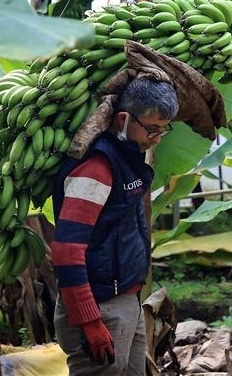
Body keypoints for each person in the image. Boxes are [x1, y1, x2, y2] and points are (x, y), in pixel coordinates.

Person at [51, 77, 178, 375]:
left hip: (125, 302)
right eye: (152, 129)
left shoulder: (126, 159)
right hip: (100, 308)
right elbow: (66, 250)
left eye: (163, 129)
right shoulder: (98, 168)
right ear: (123, 119)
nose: (157, 138)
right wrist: (90, 321)